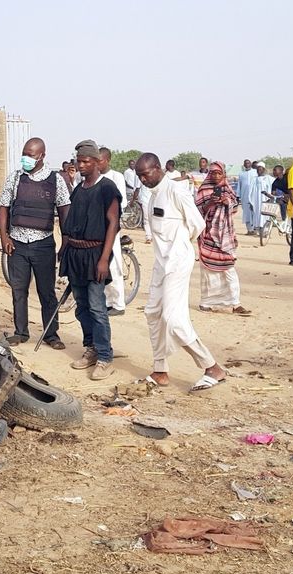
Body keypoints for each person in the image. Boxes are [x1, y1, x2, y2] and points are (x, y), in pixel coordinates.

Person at [134, 153, 226, 391]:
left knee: (173, 320)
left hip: (177, 261)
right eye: (139, 176)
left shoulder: (176, 191)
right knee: (153, 313)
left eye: (146, 174)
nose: (143, 180)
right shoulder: (151, 196)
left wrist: (181, 244)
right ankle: (160, 370)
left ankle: (212, 367)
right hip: (160, 262)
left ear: (158, 168)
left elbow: (198, 223)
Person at [0, 137, 70, 350]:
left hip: (43, 244)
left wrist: (65, 243)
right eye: (24, 153)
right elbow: (4, 209)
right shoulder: (15, 178)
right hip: (17, 244)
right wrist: (5, 238)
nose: (26, 158)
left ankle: (51, 334)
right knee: (18, 290)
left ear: (42, 156)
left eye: (31, 155)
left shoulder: (56, 181)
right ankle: (21, 332)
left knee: (46, 291)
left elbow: (65, 212)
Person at [60, 140, 121, 381]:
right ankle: (92, 348)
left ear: (97, 162)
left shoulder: (107, 188)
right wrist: (65, 248)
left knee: (97, 308)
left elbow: (113, 224)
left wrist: (104, 259)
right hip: (76, 255)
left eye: (86, 161)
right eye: (79, 161)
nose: (81, 165)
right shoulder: (78, 188)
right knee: (82, 306)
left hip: (96, 255)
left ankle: (105, 357)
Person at [195, 162, 250, 315]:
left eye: (219, 173)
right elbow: (198, 211)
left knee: (229, 267)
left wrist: (228, 203)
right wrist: (211, 202)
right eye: (213, 173)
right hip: (208, 234)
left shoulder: (228, 188)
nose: (216, 176)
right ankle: (206, 302)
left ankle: (235, 303)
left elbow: (234, 209)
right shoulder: (204, 190)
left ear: (223, 174)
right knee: (207, 269)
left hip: (225, 235)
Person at [97, 147, 130, 316]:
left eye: (100, 160)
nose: (97, 163)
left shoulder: (117, 177)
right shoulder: (93, 177)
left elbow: (121, 202)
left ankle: (118, 303)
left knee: (113, 263)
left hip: (110, 227)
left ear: (107, 160)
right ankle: (106, 301)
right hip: (96, 228)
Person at [124, 158, 152, 243]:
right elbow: (136, 189)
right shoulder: (141, 175)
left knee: (147, 219)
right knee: (149, 219)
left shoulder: (140, 175)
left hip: (147, 199)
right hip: (145, 199)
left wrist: (132, 201)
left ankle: (149, 236)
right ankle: (149, 237)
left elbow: (137, 189)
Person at [249, 161, 273, 231]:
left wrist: (270, 198)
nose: (259, 171)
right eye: (258, 169)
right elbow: (251, 191)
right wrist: (250, 201)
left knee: (265, 214)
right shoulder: (254, 179)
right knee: (257, 213)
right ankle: (258, 229)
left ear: (263, 170)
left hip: (265, 199)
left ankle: (265, 230)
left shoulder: (268, 178)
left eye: (260, 169)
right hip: (256, 201)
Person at [237, 159, 258, 234]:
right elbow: (239, 186)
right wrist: (238, 196)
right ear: (244, 165)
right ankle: (249, 230)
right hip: (244, 196)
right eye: (245, 163)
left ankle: (255, 229)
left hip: (254, 195)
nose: (247, 164)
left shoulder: (255, 172)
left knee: (255, 212)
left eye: (248, 163)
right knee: (246, 213)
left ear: (251, 164)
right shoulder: (241, 174)